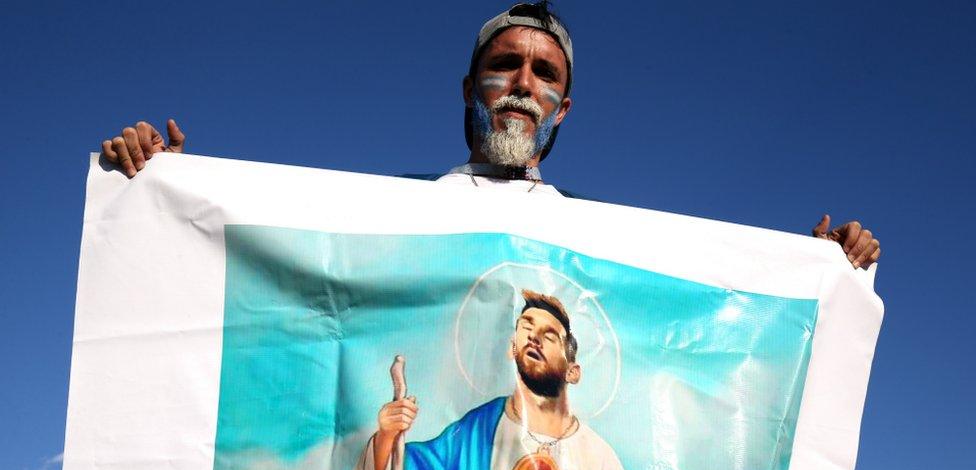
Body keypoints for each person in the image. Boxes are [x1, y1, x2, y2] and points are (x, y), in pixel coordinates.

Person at [98, 2, 881, 269]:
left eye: (546, 74)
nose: (524, 85)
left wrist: (817, 268)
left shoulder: (604, 242)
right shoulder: (382, 214)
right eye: (505, 66)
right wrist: (163, 189)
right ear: (471, 89)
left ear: (564, 108)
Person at [343, 289, 651, 470]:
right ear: (512, 348)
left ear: (573, 371)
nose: (534, 339)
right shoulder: (475, 433)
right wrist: (386, 437)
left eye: (549, 336)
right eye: (526, 329)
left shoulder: (598, 458)